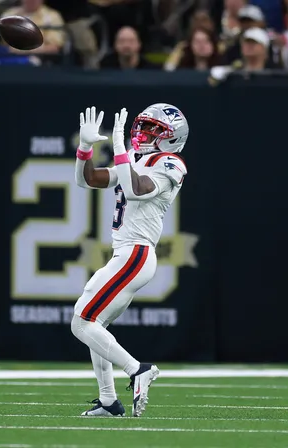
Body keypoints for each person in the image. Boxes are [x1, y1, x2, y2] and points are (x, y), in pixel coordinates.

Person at [71, 104, 189, 417]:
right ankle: (109, 401)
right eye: (144, 126)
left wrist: (121, 149)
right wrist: (85, 148)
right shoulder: (136, 159)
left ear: (172, 138)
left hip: (136, 253)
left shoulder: (170, 162)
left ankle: (138, 369)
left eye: (154, 130)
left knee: (81, 321)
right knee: (96, 324)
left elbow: (136, 190)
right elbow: (89, 179)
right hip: (126, 253)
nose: (144, 134)